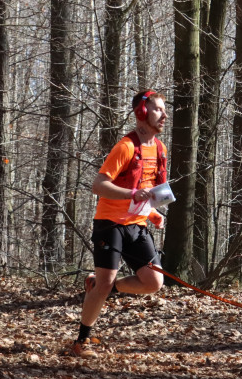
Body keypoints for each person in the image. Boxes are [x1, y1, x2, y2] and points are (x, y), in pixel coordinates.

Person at [66, 90, 169, 357]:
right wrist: (131, 195)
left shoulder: (159, 149)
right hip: (110, 224)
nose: (164, 115)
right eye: (158, 109)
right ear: (142, 113)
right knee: (103, 283)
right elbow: (98, 185)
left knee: (154, 282)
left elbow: (147, 188)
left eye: (163, 110)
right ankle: (81, 342)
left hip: (137, 224)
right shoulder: (126, 146)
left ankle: (104, 285)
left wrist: (152, 213)